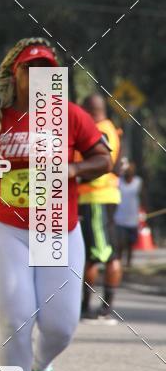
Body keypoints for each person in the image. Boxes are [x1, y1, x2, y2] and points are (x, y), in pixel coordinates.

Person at [0, 38, 111, 371]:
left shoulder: (70, 116)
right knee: (15, 316)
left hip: (57, 226)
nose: (40, 76)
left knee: (61, 326)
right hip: (5, 227)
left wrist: (73, 172)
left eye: (48, 69)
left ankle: (41, 367)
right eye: (31, 69)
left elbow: (104, 159)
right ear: (15, 75)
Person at [78, 94, 122, 323]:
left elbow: (102, 165)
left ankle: (97, 309)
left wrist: (76, 174)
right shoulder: (109, 128)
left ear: (89, 110)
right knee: (100, 252)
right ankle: (94, 307)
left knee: (97, 255)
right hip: (101, 198)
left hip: (96, 197)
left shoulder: (100, 131)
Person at [115, 160, 143, 267]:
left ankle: (128, 263)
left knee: (131, 243)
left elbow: (142, 197)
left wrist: (143, 211)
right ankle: (119, 262)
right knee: (120, 243)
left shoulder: (138, 182)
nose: (129, 172)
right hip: (119, 217)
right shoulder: (118, 181)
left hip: (133, 218)